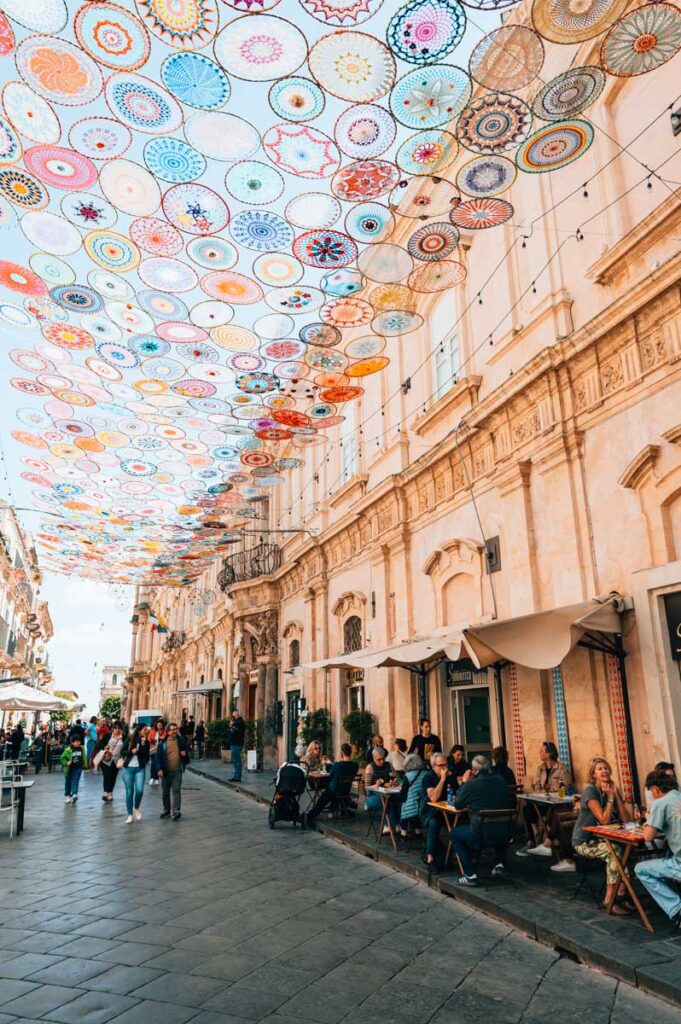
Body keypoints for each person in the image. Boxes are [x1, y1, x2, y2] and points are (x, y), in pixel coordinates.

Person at [572, 757, 632, 915]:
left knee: (628, 851)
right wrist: (610, 797)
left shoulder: (610, 789)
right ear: (593, 774)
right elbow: (604, 820)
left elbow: (627, 820)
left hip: (603, 838)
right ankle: (609, 899)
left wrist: (616, 795)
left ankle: (622, 896)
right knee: (615, 852)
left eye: (606, 768)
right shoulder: (591, 791)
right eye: (599, 769)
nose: (604, 771)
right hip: (584, 841)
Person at [450, 755, 516, 886]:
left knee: (454, 834)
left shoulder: (471, 784)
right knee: (495, 825)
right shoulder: (500, 780)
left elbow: (457, 804)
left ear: (474, 771)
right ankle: (498, 864)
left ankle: (470, 874)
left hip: (480, 834)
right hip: (505, 833)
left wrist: (464, 782)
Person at [635, 769, 681, 922]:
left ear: (655, 789)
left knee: (640, 869)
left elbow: (648, 836)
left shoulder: (661, 803)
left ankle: (676, 907)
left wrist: (649, 818)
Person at [518, 741, 572, 858]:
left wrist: (549, 790)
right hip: (543, 801)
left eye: (542, 751)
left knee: (554, 811)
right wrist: (538, 792)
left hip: (555, 803)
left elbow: (566, 785)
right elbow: (537, 785)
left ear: (549, 753)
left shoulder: (561, 768)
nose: (539, 753)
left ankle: (538, 840)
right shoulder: (540, 768)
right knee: (527, 808)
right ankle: (535, 836)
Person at [302, 743, 358, 827]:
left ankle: (309, 816)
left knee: (322, 799)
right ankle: (341, 807)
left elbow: (331, 775)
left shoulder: (337, 765)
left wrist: (330, 764)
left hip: (334, 792)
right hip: (346, 791)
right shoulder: (355, 766)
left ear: (341, 754)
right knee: (333, 789)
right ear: (350, 753)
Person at [421, 752, 451, 872]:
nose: (444, 768)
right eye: (441, 765)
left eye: (446, 765)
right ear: (433, 766)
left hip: (447, 809)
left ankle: (457, 854)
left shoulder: (450, 775)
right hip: (429, 812)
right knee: (434, 823)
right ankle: (430, 858)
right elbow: (433, 797)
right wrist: (443, 780)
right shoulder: (428, 777)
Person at [157, 721, 190, 821]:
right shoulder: (163, 742)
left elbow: (187, 751)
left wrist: (185, 754)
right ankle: (166, 810)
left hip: (177, 770)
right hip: (166, 771)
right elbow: (158, 757)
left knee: (176, 790)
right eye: (173, 730)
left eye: (176, 729)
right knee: (165, 792)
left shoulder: (181, 740)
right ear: (168, 731)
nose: (175, 731)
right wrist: (159, 769)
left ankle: (176, 811)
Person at [120, 725, 151, 825]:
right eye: (145, 729)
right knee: (129, 792)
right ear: (139, 730)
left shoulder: (146, 742)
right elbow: (122, 751)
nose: (146, 731)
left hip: (140, 768)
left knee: (140, 790)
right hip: (128, 768)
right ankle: (129, 815)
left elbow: (146, 756)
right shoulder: (130, 738)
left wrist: (142, 745)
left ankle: (136, 808)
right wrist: (131, 751)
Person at [364, 749, 398, 834]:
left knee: (398, 799)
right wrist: (376, 786)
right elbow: (367, 788)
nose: (382, 761)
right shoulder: (370, 767)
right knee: (389, 801)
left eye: (383, 758)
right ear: (374, 758)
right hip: (373, 797)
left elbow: (395, 777)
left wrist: (394, 781)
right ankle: (389, 825)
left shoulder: (388, 765)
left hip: (388, 793)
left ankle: (396, 825)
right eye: (378, 760)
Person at [397, 753, 427, 837]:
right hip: (424, 804)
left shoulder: (407, 776)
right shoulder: (425, 773)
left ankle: (403, 832)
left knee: (403, 804)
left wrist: (400, 789)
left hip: (412, 807)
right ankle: (418, 831)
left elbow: (403, 795)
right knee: (411, 802)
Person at [101, 724, 124, 802]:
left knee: (113, 777)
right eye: (115, 728)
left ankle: (110, 792)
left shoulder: (123, 737)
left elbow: (126, 748)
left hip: (116, 760)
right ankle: (105, 792)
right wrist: (104, 747)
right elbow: (100, 744)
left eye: (119, 728)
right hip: (106, 759)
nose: (117, 729)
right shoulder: (108, 736)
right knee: (106, 776)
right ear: (112, 729)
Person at [60, 735, 85, 804]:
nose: (79, 743)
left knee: (75, 781)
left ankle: (74, 794)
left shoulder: (82, 748)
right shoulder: (68, 750)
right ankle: (67, 795)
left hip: (78, 768)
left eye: (79, 741)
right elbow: (62, 758)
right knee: (68, 782)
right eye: (77, 741)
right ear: (72, 742)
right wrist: (66, 763)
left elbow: (84, 757)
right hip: (69, 769)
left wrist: (84, 765)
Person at [229, 709, 245, 782]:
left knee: (237, 760)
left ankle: (237, 777)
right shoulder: (238, 722)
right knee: (235, 760)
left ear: (236, 715)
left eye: (233, 715)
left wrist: (231, 725)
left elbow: (233, 732)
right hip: (235, 743)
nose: (233, 717)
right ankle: (236, 776)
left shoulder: (239, 723)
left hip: (237, 743)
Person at [148, 719, 165, 787]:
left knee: (158, 764)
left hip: (161, 750)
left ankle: (156, 778)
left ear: (162, 725)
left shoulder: (164, 732)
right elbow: (148, 739)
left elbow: (166, 739)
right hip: (153, 749)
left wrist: (162, 738)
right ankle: (152, 777)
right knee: (153, 763)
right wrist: (152, 739)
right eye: (158, 725)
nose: (159, 726)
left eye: (160, 725)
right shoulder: (153, 731)